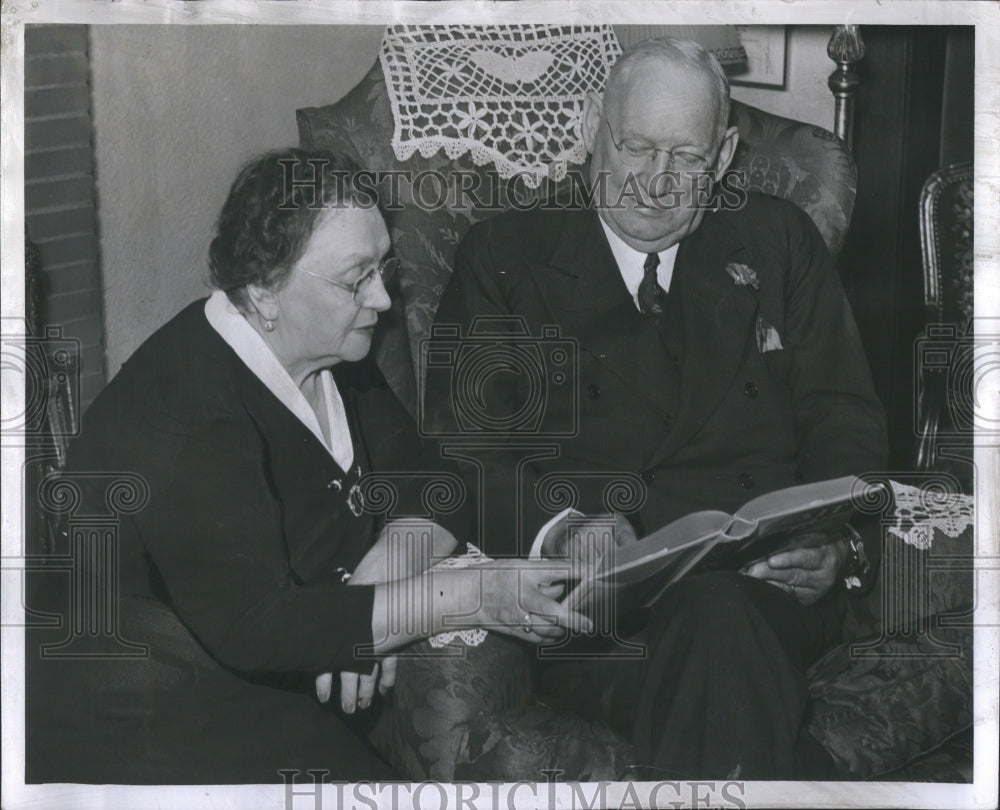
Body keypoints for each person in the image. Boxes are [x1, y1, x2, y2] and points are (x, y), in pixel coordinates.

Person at [25, 149, 590, 784]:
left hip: (262, 688)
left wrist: (379, 581)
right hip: (146, 719)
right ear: (266, 288)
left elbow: (436, 482)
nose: (383, 299)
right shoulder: (184, 404)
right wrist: (471, 596)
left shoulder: (334, 354)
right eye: (356, 279)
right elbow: (257, 626)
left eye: (385, 268)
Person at [425, 38, 888, 779]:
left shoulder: (778, 243)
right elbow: (464, 450)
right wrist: (565, 526)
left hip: (765, 594)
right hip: (606, 610)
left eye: (686, 157)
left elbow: (846, 418)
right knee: (720, 658)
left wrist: (837, 546)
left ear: (726, 152)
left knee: (723, 621)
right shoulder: (506, 255)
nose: (654, 182)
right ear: (592, 130)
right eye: (636, 147)